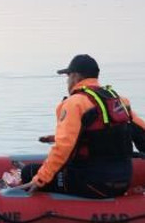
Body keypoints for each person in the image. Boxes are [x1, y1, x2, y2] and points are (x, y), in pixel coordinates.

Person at [17, 54, 145, 198]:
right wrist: (55, 138)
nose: (67, 82)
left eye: (68, 77)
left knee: (29, 172)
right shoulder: (119, 100)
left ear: (76, 77)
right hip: (123, 181)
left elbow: (63, 148)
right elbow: (138, 132)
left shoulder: (75, 103)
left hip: (93, 183)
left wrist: (40, 179)